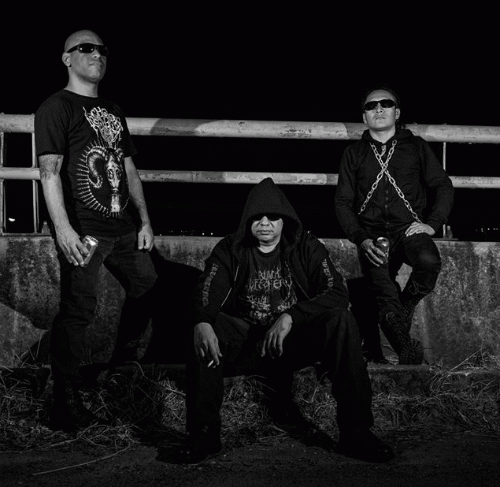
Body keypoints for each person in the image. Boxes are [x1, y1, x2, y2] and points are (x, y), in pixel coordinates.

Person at [178, 177, 394, 464]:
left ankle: (356, 433)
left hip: (292, 343)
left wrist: (291, 316)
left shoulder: (305, 246)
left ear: (285, 220)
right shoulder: (230, 248)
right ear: (247, 220)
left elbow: (336, 292)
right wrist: (202, 321)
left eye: (273, 217)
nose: (265, 223)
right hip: (247, 343)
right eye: (258, 217)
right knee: (205, 327)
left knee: (341, 320)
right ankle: (203, 434)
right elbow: (206, 289)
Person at [34, 30, 157, 432]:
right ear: (67, 58)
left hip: (122, 227)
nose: (96, 54)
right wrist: (63, 230)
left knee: (148, 286)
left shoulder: (112, 109)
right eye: (85, 48)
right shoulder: (56, 107)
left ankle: (122, 369)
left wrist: (144, 220)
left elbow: (128, 168)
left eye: (102, 49)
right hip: (84, 230)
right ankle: (65, 403)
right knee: (78, 312)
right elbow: (49, 172)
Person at [335, 86, 454, 365]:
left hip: (408, 229)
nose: (378, 108)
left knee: (428, 261)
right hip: (372, 235)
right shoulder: (354, 153)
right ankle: (407, 353)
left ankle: (407, 304)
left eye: (385, 104)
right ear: (364, 117)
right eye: (371, 106)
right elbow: (342, 202)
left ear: (396, 113)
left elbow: (443, 185)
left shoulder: (416, 147)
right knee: (385, 298)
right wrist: (361, 238)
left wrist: (432, 224)